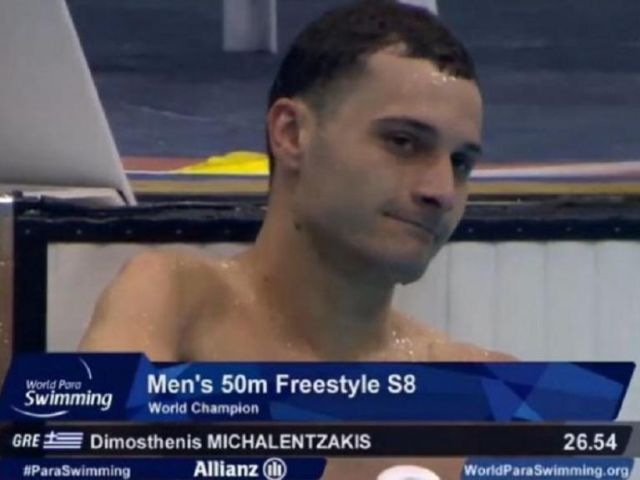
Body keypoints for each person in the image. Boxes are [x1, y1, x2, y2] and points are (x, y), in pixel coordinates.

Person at [81, 1, 512, 476]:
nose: (441, 191)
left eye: (461, 164)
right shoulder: (177, 300)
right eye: (403, 142)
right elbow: (97, 455)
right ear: (291, 134)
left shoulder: (492, 393)